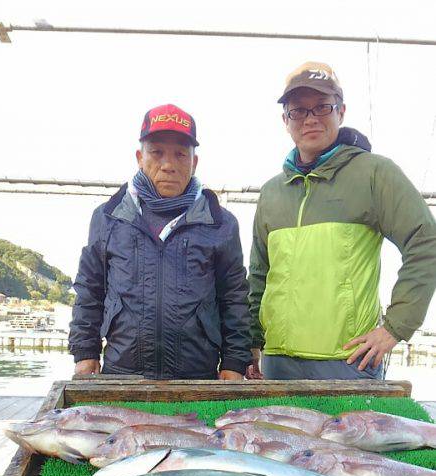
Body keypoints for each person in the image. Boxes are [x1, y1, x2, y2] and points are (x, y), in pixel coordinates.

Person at [247, 62, 436, 380]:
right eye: (299, 111)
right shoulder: (272, 193)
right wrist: (252, 345)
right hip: (277, 363)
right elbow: (259, 276)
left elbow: (425, 241)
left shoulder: (374, 174)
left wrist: (395, 327)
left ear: (341, 111)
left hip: (347, 364)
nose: (310, 119)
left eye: (322, 107)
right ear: (285, 120)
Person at [69, 103, 252, 380]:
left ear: (195, 162)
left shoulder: (221, 223)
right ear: (140, 157)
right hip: (122, 373)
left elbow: (234, 298)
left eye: (180, 154)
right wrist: (85, 352)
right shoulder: (108, 218)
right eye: (157, 153)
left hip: (198, 376)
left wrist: (235, 362)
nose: (168, 165)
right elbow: (89, 290)